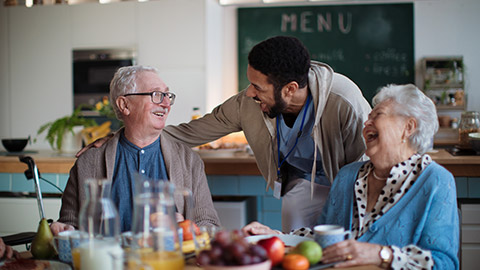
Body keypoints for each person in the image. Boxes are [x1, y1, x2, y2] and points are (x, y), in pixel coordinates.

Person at [79, 36, 371, 232]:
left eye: (258, 87)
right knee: (295, 253)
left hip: (346, 184)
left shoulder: (344, 101)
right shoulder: (248, 103)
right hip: (299, 188)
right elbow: (194, 131)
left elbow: (369, 163)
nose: (250, 93)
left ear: (290, 89)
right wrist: (124, 136)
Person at [242, 84, 459, 270]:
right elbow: (325, 239)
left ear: (408, 127)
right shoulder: (349, 175)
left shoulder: (436, 181)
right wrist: (275, 237)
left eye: (377, 115)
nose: (366, 123)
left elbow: (445, 263)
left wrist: (381, 255)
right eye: (368, 116)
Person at [51, 65, 220, 235]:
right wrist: (65, 229)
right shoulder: (88, 162)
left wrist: (183, 227)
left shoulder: (189, 161)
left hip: (169, 260)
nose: (166, 103)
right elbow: (70, 223)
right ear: (124, 104)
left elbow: (209, 225)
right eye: (156, 95)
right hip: (109, 260)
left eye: (167, 95)